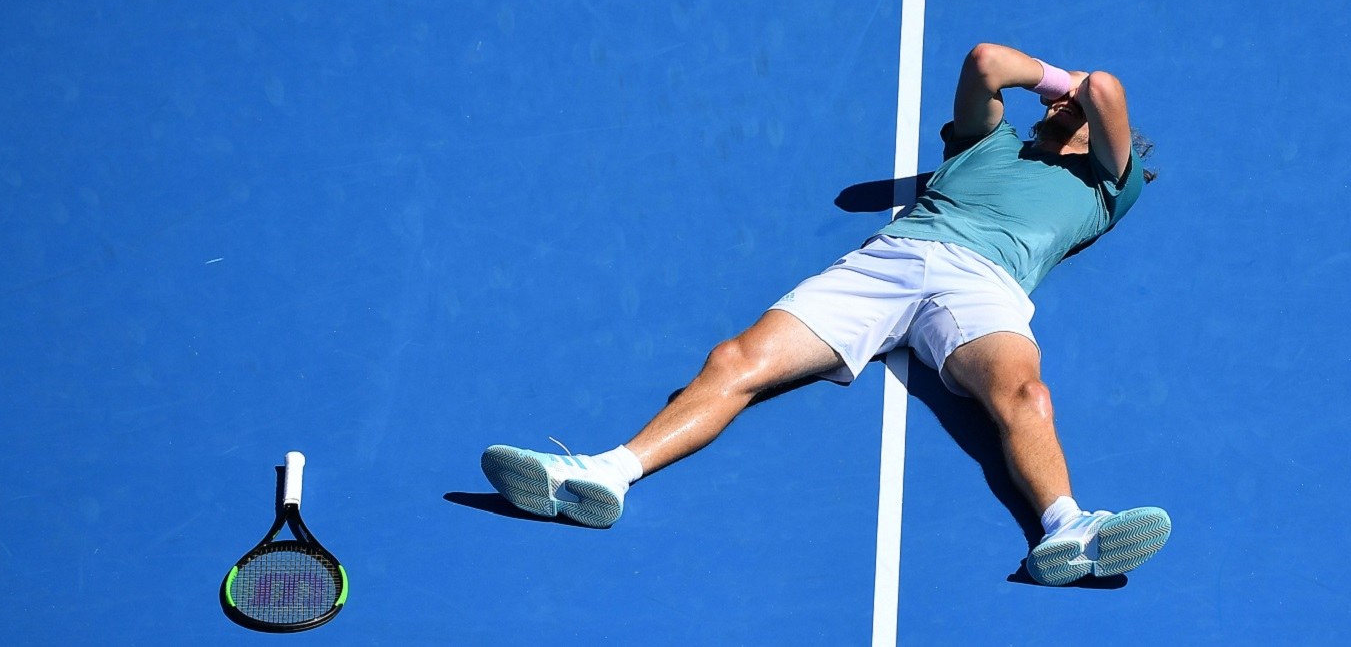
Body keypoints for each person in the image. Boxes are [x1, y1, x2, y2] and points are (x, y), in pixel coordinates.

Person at [483, 42, 1169, 586]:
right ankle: (605, 472)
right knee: (734, 360)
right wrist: (1056, 82)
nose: (1067, 102)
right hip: (892, 259)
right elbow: (987, 60)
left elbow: (1106, 87)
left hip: (983, 285)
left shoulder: (1107, 185)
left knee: (1025, 395)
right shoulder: (985, 144)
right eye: (1064, 97)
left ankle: (1067, 528)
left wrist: (1080, 89)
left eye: (1075, 105)